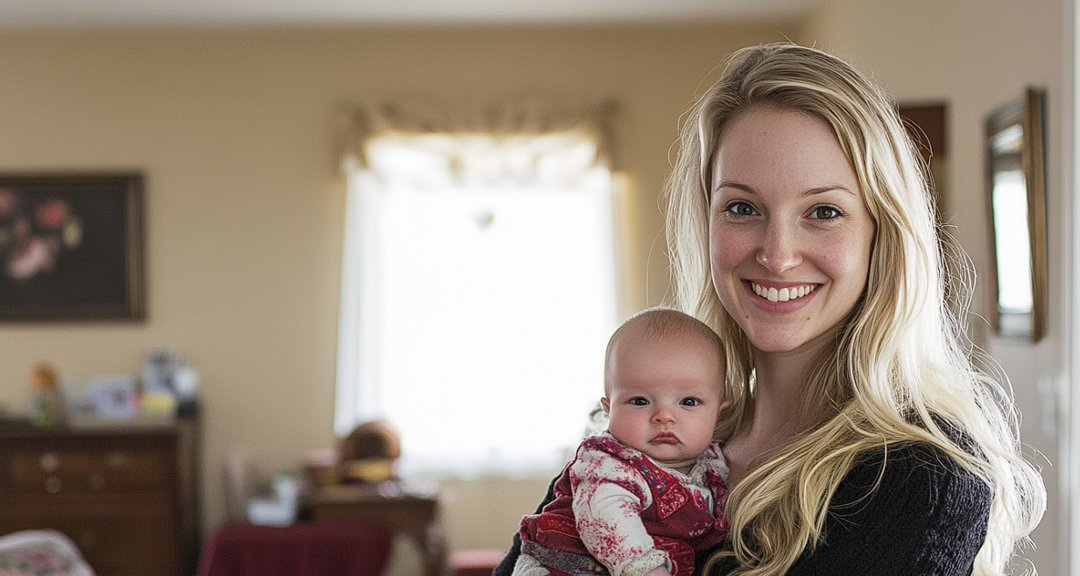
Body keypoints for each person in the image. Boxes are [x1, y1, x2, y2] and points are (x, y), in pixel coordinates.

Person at [496, 43, 1045, 576]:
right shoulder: (649, 439)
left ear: (883, 235)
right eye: (741, 207)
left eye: (824, 211)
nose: (777, 255)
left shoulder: (919, 479)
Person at [513, 308, 731, 576]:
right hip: (561, 566)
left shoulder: (713, 466)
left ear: (718, 412)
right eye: (640, 401)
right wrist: (645, 568)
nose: (664, 416)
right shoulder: (608, 462)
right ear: (608, 408)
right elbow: (605, 514)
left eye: (688, 402)